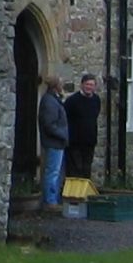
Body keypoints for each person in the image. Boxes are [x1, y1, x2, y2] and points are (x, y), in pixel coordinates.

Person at [63, 73, 101, 190]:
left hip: (89, 141)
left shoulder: (96, 100)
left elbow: (95, 116)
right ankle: (74, 195)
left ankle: (84, 194)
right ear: (82, 85)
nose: (89, 87)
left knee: (86, 169)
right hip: (75, 142)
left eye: (92, 85)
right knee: (75, 170)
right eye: (87, 84)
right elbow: (65, 119)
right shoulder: (72, 101)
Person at [38, 74, 69, 210]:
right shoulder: (49, 102)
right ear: (56, 86)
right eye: (61, 83)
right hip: (54, 142)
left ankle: (53, 199)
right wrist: (63, 135)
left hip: (57, 142)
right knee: (52, 172)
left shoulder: (53, 100)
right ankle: (50, 201)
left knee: (55, 171)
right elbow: (49, 125)